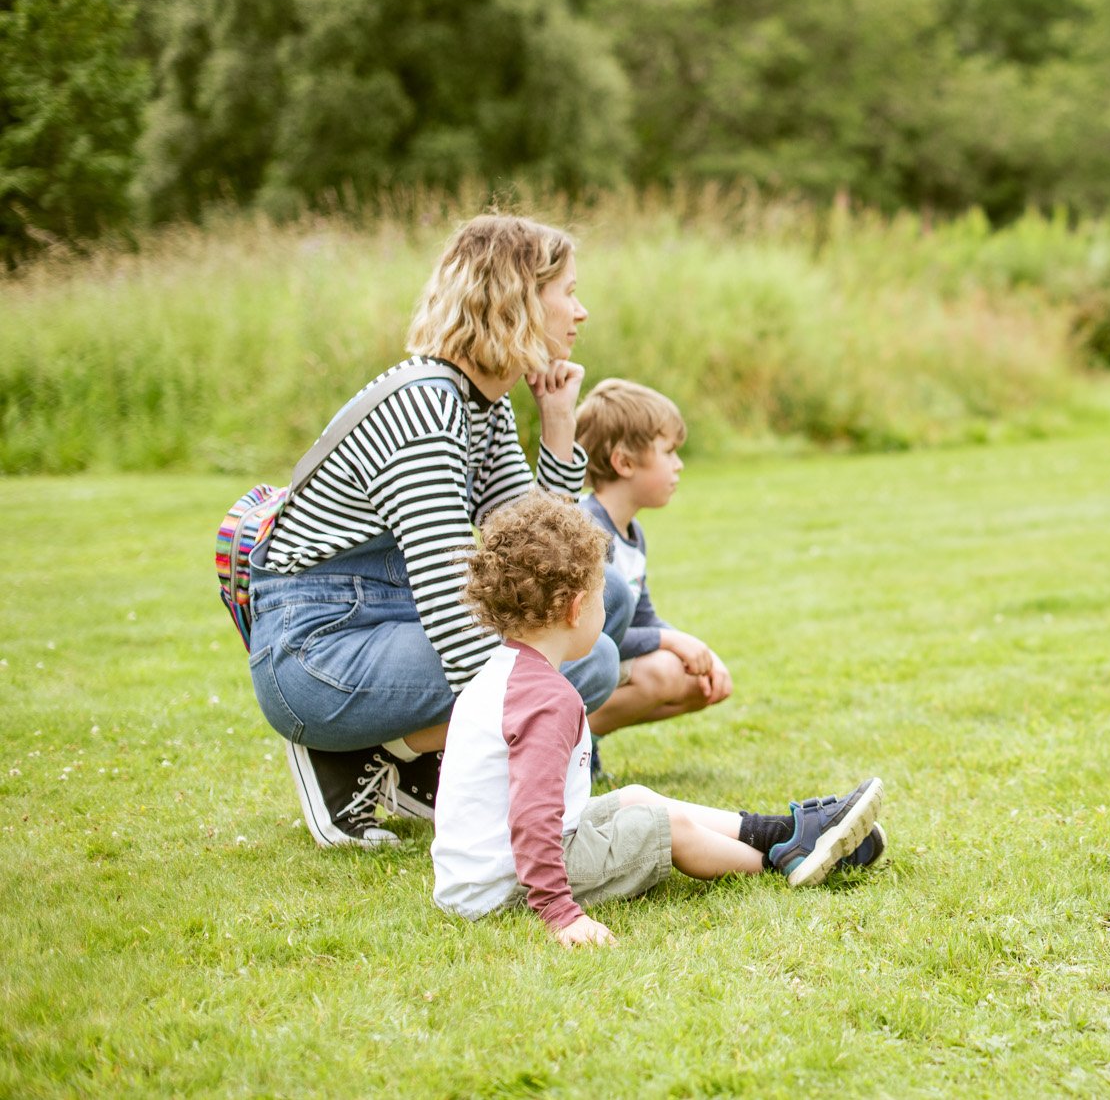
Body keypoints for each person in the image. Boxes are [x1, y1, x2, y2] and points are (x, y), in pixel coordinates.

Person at [247, 213, 639, 848]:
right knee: (587, 662)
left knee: (603, 600)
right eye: (567, 292)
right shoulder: (427, 408)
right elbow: (449, 601)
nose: (581, 311)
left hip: (387, 626)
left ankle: (406, 759)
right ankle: (350, 761)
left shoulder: (482, 402)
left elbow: (550, 560)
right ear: (518, 298)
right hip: (320, 652)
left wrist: (558, 424)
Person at [431, 490, 884, 946]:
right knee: (664, 829)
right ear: (575, 609)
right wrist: (560, 912)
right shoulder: (547, 699)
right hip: (506, 887)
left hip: (481, 874)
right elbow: (532, 819)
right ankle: (786, 863)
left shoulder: (501, 674)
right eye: (602, 601)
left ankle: (781, 833)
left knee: (635, 798)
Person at [573, 379, 734, 744]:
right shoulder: (587, 530)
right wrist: (670, 641)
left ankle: (581, 744)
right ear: (624, 462)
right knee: (665, 671)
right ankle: (571, 742)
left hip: (601, 660)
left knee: (696, 681)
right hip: (572, 667)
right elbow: (588, 637)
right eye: (669, 452)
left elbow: (642, 617)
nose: (679, 465)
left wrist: (699, 650)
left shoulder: (633, 533)